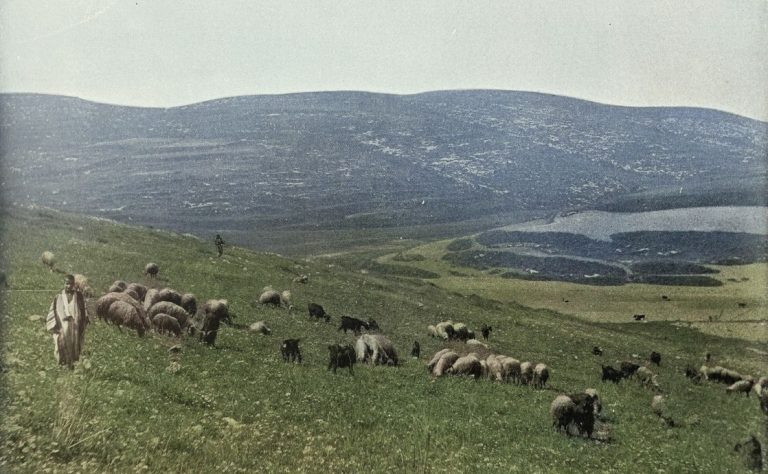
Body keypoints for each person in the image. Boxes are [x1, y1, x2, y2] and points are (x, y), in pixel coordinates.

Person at [45, 274, 88, 368]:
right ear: (64, 283)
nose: (69, 286)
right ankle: (62, 363)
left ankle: (73, 364)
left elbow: (83, 310)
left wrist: (84, 321)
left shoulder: (79, 296)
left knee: (75, 344)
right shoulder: (58, 297)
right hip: (62, 326)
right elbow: (53, 311)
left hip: (75, 326)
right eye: (67, 283)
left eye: (71, 284)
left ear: (74, 285)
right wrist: (55, 325)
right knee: (61, 343)